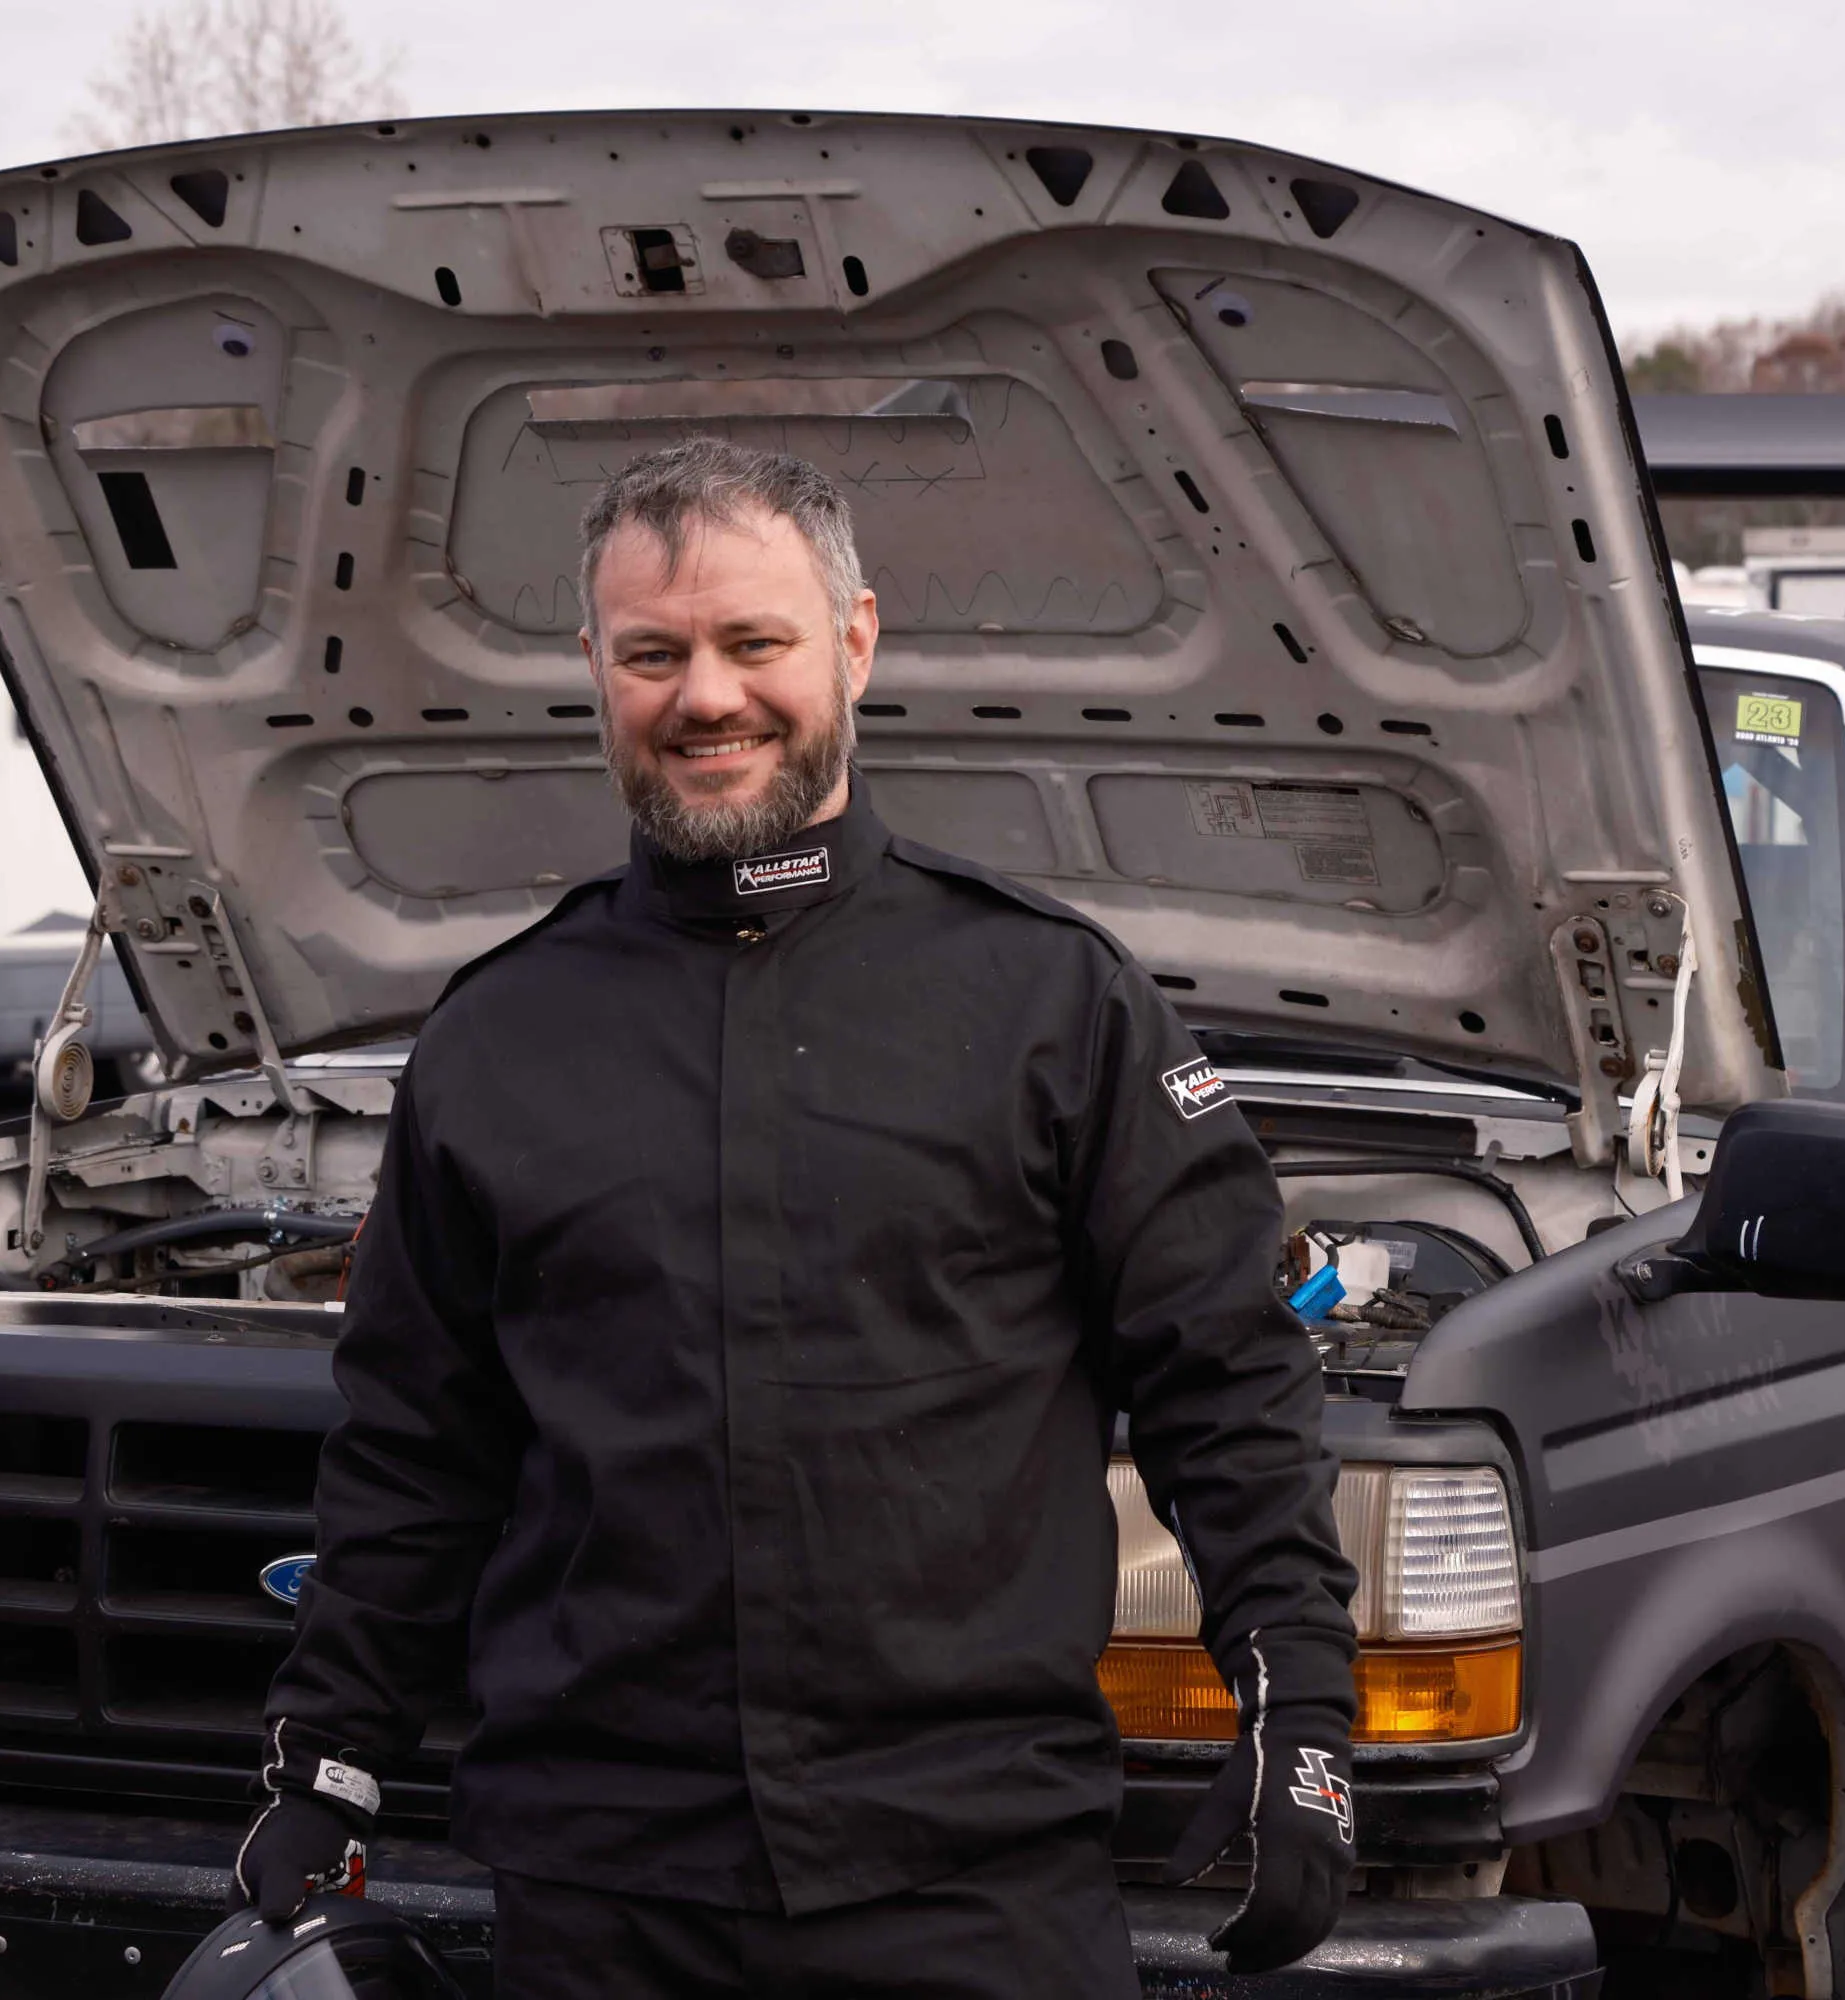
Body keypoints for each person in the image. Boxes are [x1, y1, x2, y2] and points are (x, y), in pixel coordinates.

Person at [230, 437, 1361, 1998]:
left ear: (855, 641)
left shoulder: (1052, 1005)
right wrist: (328, 1760)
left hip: (971, 1883)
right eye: (654, 654)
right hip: (604, 1895)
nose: (707, 697)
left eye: (754, 642)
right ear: (595, 666)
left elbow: (1225, 1381)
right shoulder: (496, 1041)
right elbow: (419, 1448)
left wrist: (1300, 1710)